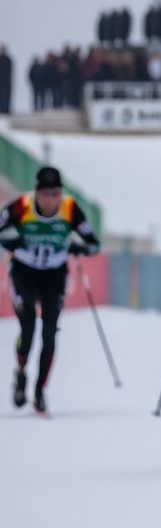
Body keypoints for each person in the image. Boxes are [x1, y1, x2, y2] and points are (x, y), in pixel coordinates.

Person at [0, 166, 100, 413]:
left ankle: (39, 391)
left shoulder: (69, 209)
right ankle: (21, 371)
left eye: (55, 193)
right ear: (36, 193)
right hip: (24, 272)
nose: (50, 200)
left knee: (49, 333)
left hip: (54, 276)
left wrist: (79, 248)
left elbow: (93, 244)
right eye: (45, 194)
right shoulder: (20, 207)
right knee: (29, 327)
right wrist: (8, 240)